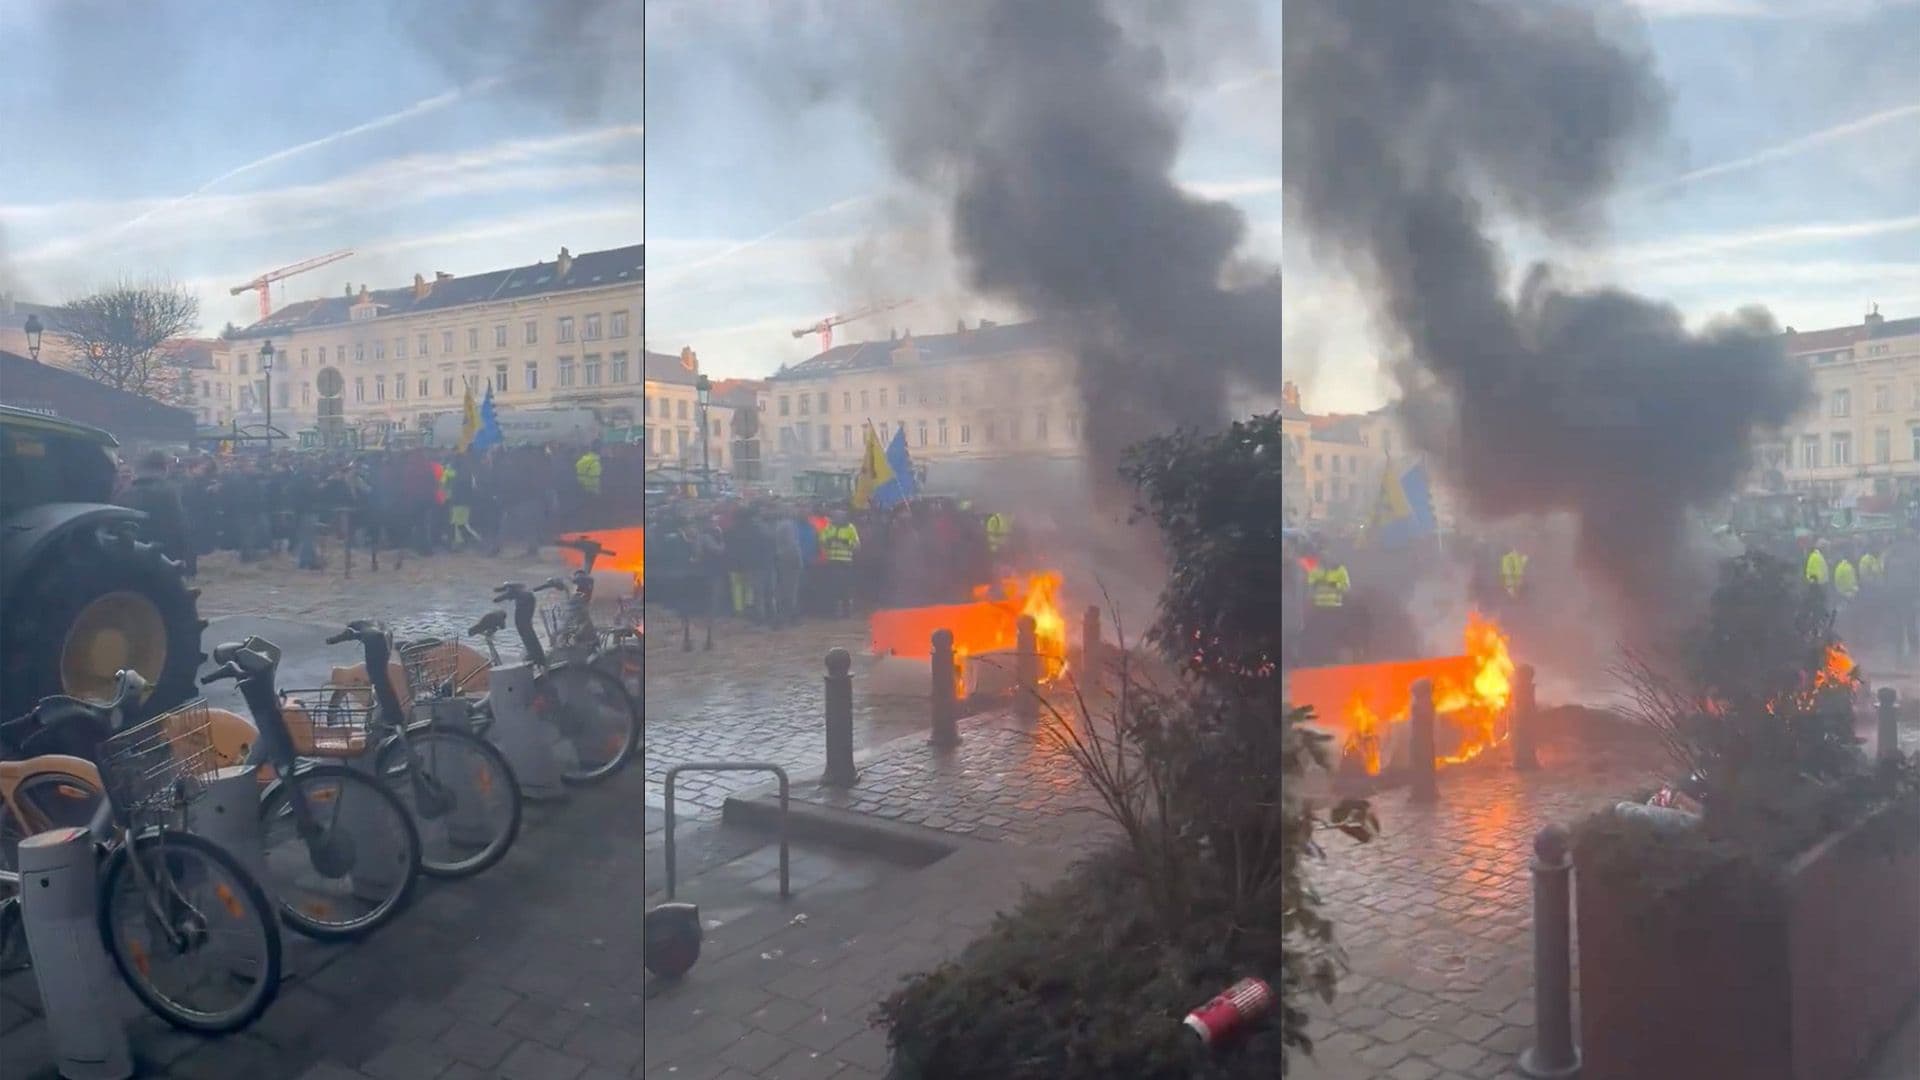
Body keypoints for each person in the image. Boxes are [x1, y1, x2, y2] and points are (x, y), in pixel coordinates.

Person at [118, 451, 192, 575]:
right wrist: (184, 553)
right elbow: (179, 523)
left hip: (134, 551)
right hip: (165, 553)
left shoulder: (127, 491)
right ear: (164, 467)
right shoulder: (169, 491)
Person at [821, 509, 861, 617]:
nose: (837, 518)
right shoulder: (830, 527)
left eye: (840, 516)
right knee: (833, 588)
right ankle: (834, 612)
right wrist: (829, 540)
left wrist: (846, 542)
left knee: (845, 588)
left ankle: (847, 612)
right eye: (835, 516)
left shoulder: (850, 527)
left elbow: (857, 545)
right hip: (833, 562)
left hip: (845, 563)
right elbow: (822, 540)